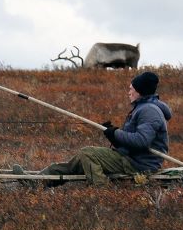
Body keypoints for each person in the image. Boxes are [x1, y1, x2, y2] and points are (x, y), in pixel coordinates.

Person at [35, 70, 172, 186]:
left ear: (140, 91)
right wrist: (112, 135)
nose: (128, 92)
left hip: (138, 165)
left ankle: (103, 190)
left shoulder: (149, 111)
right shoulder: (144, 107)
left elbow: (142, 141)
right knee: (78, 161)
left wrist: (116, 133)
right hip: (130, 157)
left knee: (87, 153)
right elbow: (134, 142)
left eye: (131, 89)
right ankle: (38, 180)